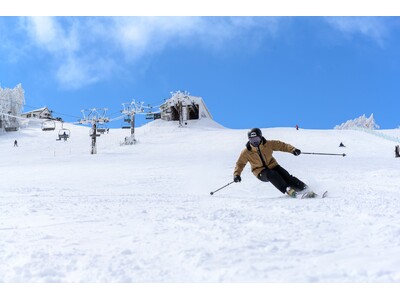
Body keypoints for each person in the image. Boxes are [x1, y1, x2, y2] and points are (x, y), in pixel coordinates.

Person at [233, 128, 307, 198]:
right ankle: (287, 190)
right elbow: (240, 164)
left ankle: (305, 189)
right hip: (260, 172)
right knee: (271, 174)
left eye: (256, 139)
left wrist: (293, 150)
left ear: (261, 137)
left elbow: (282, 146)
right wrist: (237, 175)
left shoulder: (268, 144)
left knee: (286, 176)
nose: (255, 142)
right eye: (252, 140)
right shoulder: (246, 152)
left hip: (273, 166)